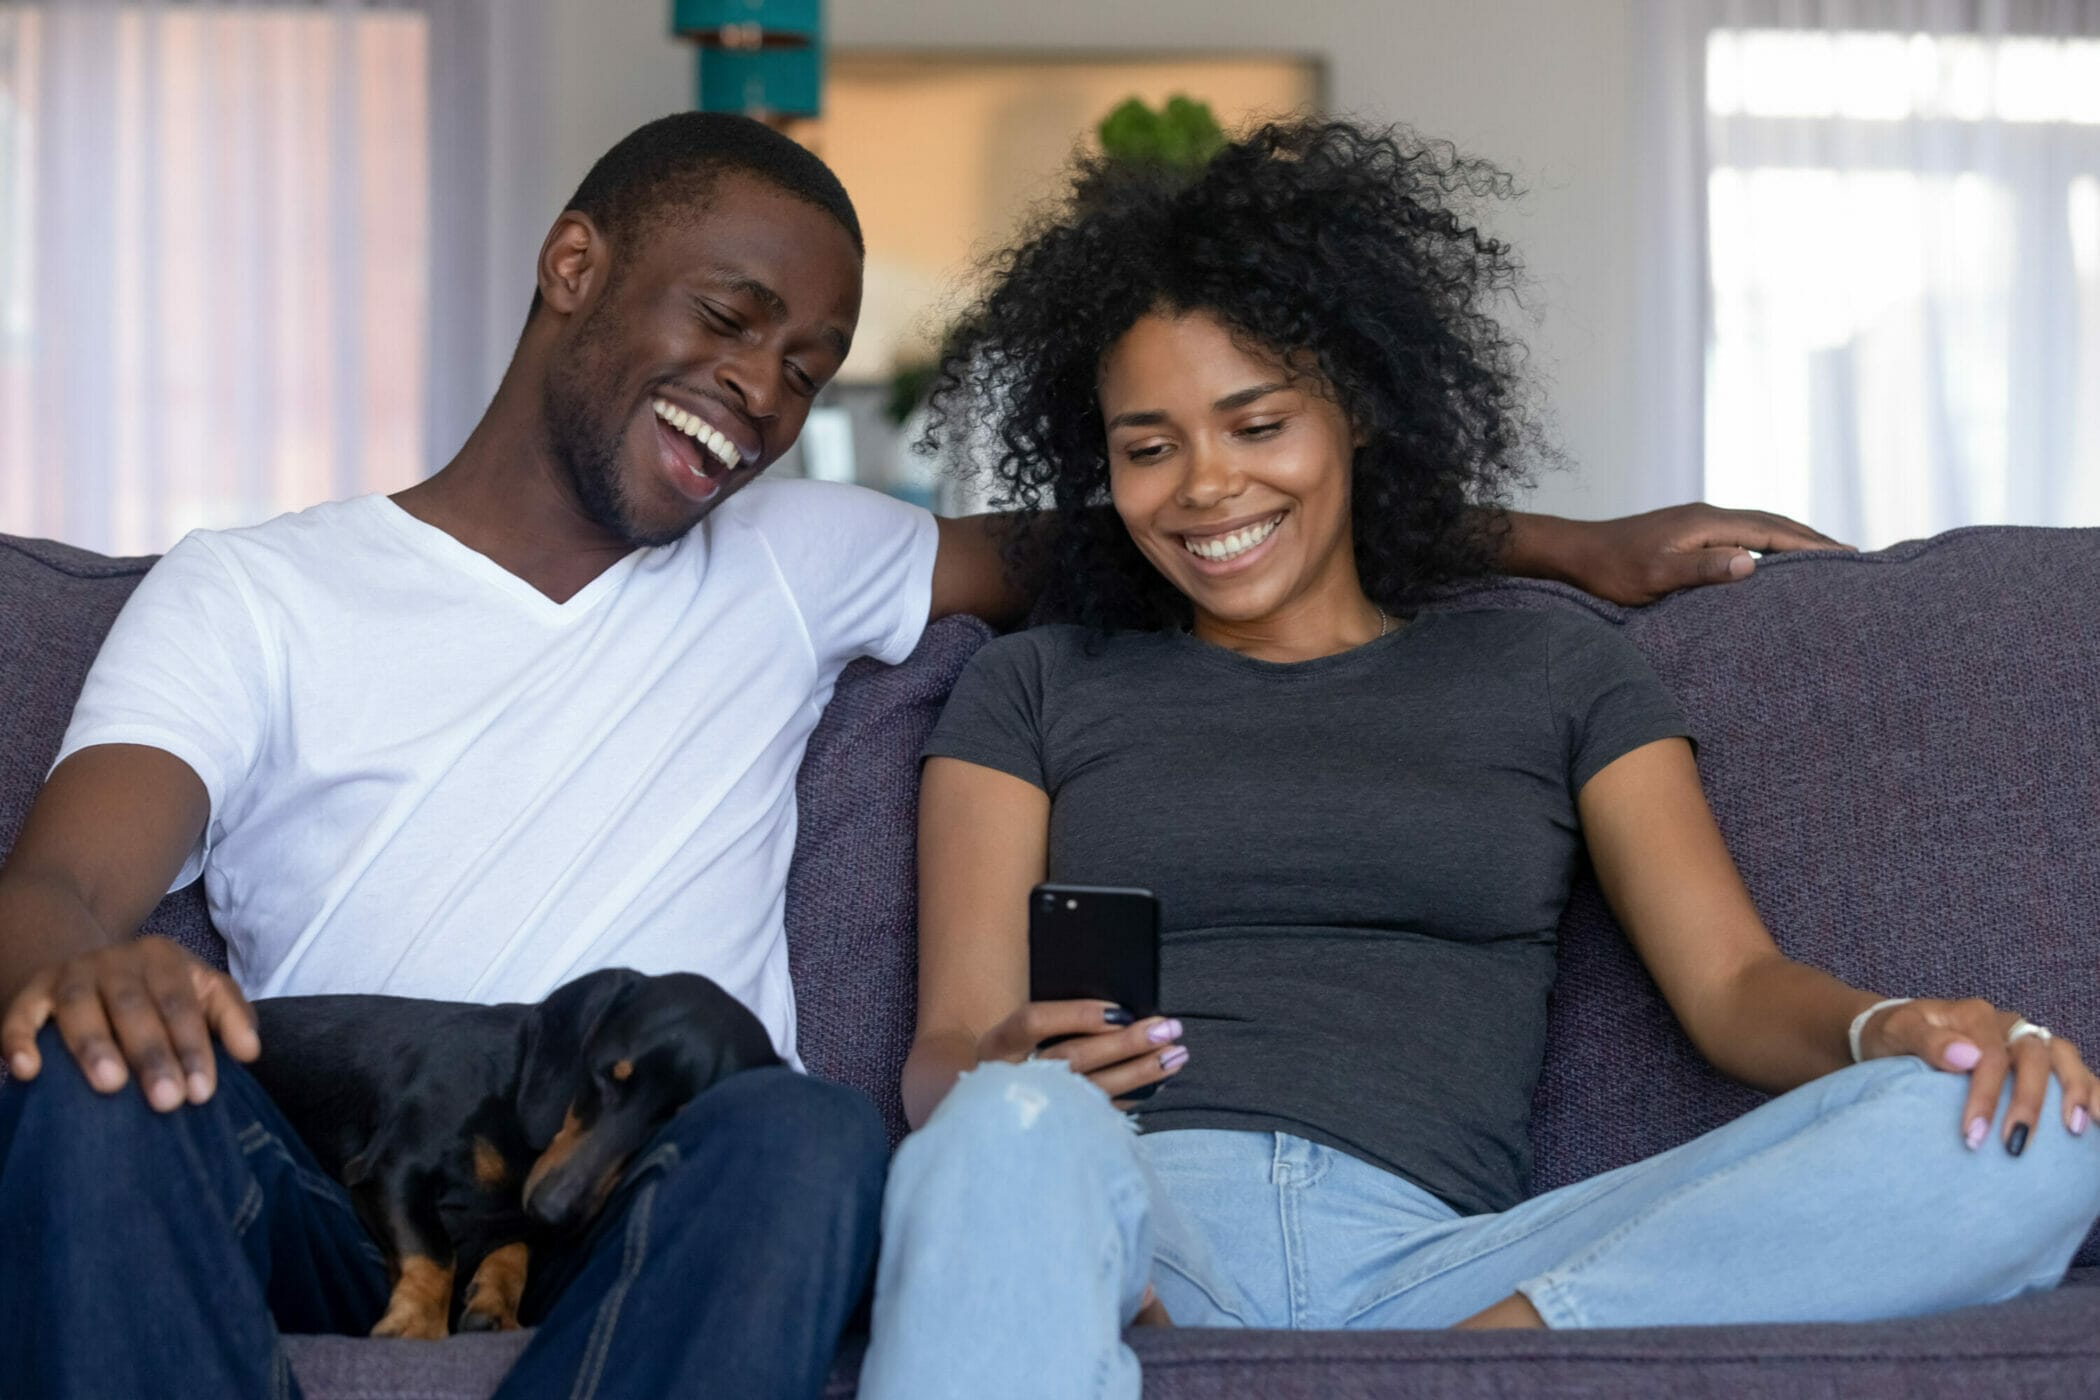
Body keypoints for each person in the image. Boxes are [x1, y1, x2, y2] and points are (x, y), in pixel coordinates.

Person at [0, 111, 1833, 1400]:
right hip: (358, 1194)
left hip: (682, 1203)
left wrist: (1580, 550)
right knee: (87, 1086)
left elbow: (1192, 529)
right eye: (729, 320)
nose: (762, 392)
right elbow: (68, 885)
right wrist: (83, 962)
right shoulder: (259, 591)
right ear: (574, 267)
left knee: (801, 1131)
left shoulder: (805, 561)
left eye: (806, 366)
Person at [856, 118, 2100, 1399]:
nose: (1205, 487)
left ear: (1356, 412)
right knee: (999, 1126)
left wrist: (1891, 1025)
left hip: (1450, 1265)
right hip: (1136, 1229)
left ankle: (1462, 1368)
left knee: (2033, 1136)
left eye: (1257, 422)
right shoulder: (1035, 681)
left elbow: (1732, 987)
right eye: (1149, 446)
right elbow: (947, 1047)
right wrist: (1011, 1074)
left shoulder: (1553, 672)